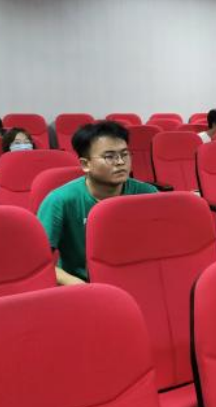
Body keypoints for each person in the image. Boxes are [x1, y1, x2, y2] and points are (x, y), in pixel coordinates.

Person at [37, 122, 157, 286]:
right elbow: (38, 263)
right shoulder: (60, 200)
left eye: (125, 154)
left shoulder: (147, 194)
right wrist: (79, 286)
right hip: (84, 283)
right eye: (110, 157)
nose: (120, 162)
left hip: (137, 278)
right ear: (85, 164)